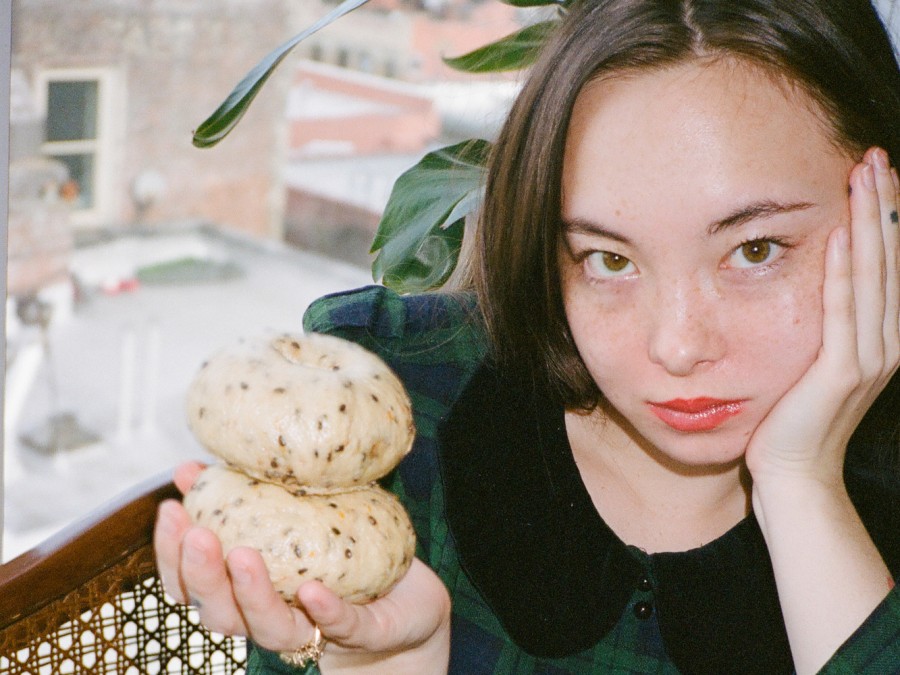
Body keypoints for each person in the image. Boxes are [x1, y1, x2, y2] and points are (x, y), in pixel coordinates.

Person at [154, 0, 900, 672]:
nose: (677, 346)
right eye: (609, 260)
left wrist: (802, 484)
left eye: (756, 250)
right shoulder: (392, 423)